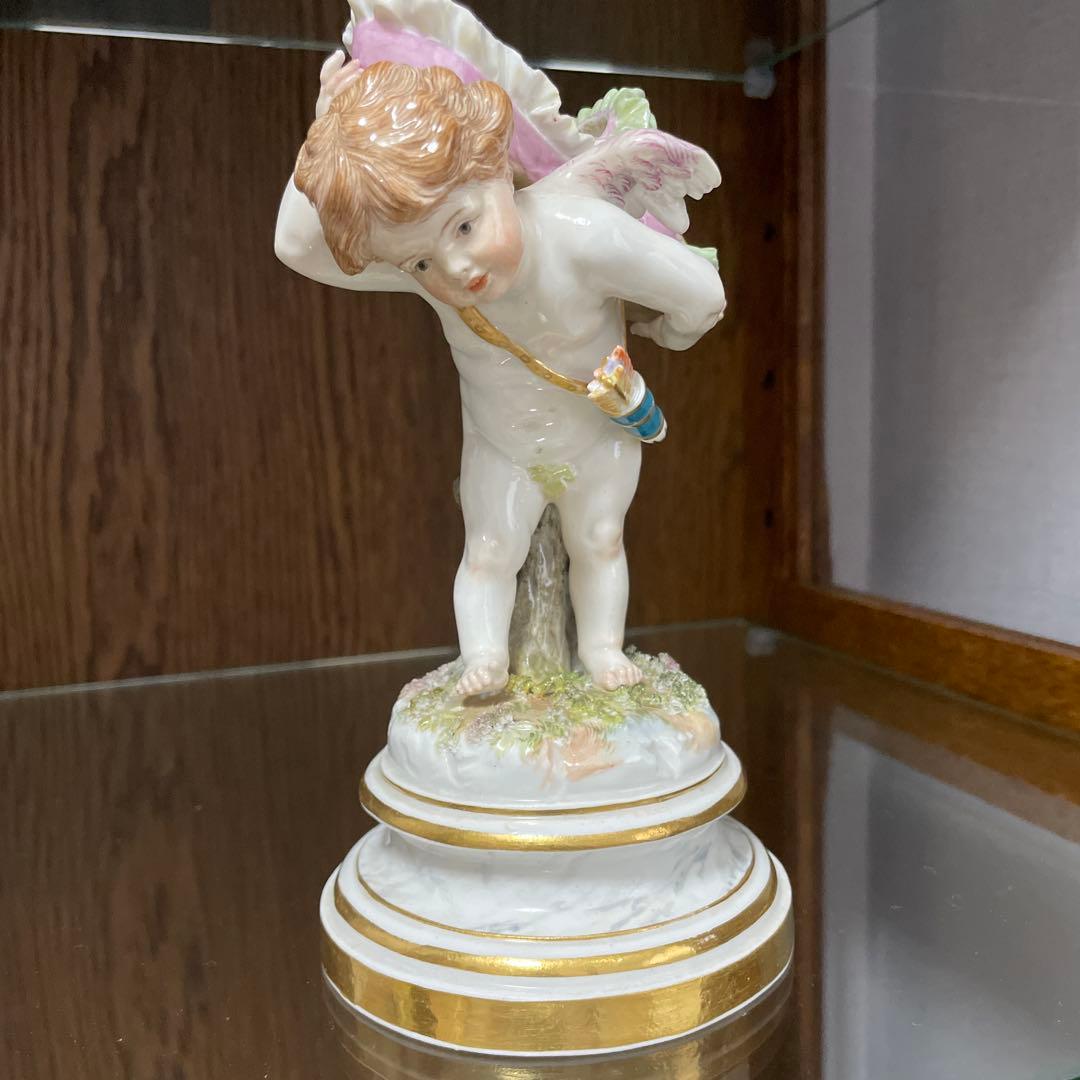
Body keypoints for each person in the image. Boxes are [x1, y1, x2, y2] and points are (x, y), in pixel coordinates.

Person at [275, 57, 725, 696]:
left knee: (600, 540)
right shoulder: (426, 258)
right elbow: (296, 248)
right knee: (489, 553)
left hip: (598, 436)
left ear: (496, 169)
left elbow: (702, 293)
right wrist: (325, 130)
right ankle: (484, 659)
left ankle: (601, 649)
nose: (457, 269)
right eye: (422, 262)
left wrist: (670, 333)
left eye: (466, 226)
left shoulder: (582, 235)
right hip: (502, 445)